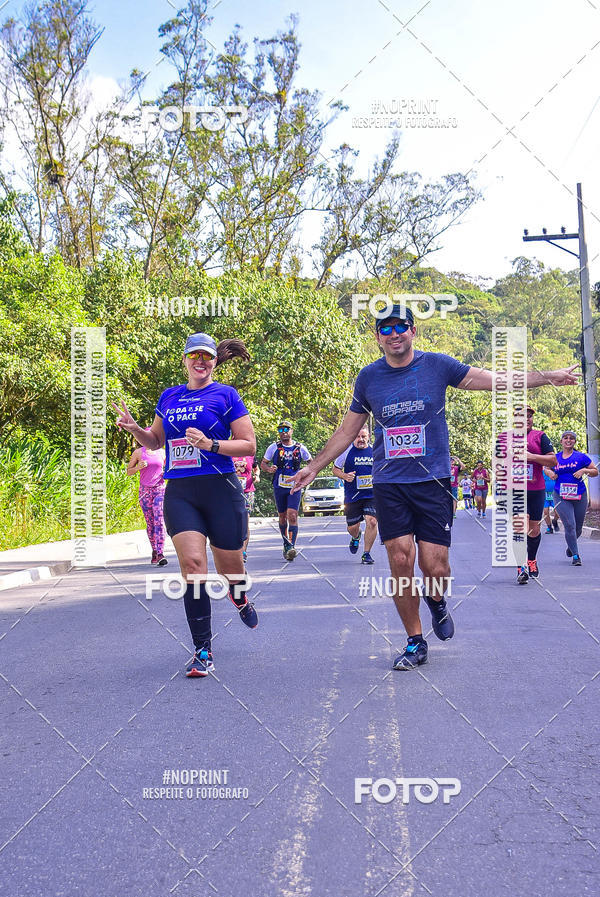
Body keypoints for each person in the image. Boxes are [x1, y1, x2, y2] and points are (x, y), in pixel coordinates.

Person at [290, 304, 579, 670]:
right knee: (399, 559)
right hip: (390, 482)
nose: (394, 333)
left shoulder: (437, 365)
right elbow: (348, 430)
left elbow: (493, 379)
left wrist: (548, 376)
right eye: (386, 328)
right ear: (378, 337)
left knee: (435, 566)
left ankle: (437, 602)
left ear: (413, 331)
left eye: (401, 326)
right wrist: (314, 467)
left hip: (433, 481)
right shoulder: (368, 378)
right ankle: (414, 641)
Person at [113, 333, 258, 679]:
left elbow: (249, 445)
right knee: (193, 566)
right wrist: (136, 429)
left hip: (220, 488)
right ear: (185, 359)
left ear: (214, 362)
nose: (201, 361)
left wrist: (212, 444)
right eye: (194, 355)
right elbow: (155, 440)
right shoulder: (169, 396)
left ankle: (238, 595)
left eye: (207, 356)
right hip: (181, 490)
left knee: (230, 567)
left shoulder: (226, 395)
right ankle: (203, 650)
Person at [508, 406, 557, 584]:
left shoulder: (540, 436)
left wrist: (531, 456)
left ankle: (532, 560)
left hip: (536, 489)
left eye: (529, 417)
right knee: (520, 527)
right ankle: (521, 567)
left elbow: (553, 460)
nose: (526, 419)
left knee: (534, 529)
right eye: (522, 416)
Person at [545, 431, 598, 566]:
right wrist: (550, 473)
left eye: (571, 438)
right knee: (570, 525)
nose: (568, 440)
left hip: (580, 495)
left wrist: (584, 471)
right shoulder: (555, 458)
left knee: (578, 528)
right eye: (565, 438)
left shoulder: (581, 457)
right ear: (561, 441)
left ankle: (571, 546)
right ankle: (576, 556)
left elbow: (595, 471)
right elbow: (546, 468)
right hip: (561, 496)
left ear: (574, 441)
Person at [261, 421, 311, 561]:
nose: (283, 431)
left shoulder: (300, 448)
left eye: (286, 429)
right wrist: (269, 469)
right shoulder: (274, 447)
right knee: (282, 516)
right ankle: (285, 543)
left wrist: (304, 474)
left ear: (291, 431)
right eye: (281, 429)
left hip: (294, 487)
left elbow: (311, 463)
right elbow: (263, 463)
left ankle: (291, 547)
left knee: (292, 515)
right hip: (279, 486)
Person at [332, 426, 378, 565]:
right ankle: (356, 536)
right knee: (353, 527)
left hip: (371, 495)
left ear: (368, 437)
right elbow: (335, 469)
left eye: (363, 436)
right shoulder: (346, 451)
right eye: (358, 437)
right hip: (353, 496)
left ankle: (366, 554)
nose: (361, 439)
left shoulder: (375, 451)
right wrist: (345, 476)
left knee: (372, 521)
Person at [126, 428, 168, 566]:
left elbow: (168, 470)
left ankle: (161, 552)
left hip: (159, 489)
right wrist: (138, 467)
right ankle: (154, 551)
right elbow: (128, 472)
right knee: (150, 523)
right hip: (144, 491)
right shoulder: (138, 453)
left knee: (159, 520)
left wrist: (165, 474)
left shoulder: (162, 453)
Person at [233, 455, 260, 561]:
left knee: (245, 520)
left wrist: (256, 476)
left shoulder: (250, 454)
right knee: (233, 521)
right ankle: (234, 549)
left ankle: (243, 551)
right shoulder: (228, 452)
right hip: (232, 491)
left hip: (247, 492)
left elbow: (256, 468)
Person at [543, 467, 560, 533]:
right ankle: (549, 527)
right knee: (545, 512)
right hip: (545, 495)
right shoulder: (543, 473)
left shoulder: (556, 472)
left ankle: (554, 521)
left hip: (554, 495)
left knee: (558, 513)